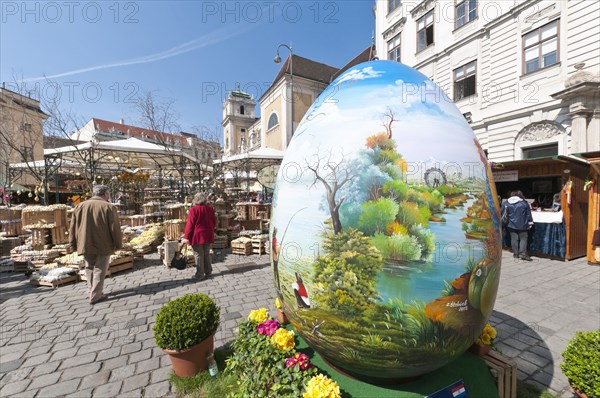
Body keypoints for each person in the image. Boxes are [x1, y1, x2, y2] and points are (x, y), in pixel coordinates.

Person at [69, 185, 122, 304]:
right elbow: (115, 228)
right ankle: (95, 295)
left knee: (89, 267)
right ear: (105, 194)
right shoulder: (109, 207)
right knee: (100, 268)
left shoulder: (80, 206)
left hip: (85, 242)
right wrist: (118, 244)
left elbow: (73, 227)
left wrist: (72, 243)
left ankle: (92, 291)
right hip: (103, 242)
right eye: (108, 194)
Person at [184, 193, 217, 281]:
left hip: (197, 235)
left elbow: (190, 224)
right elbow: (214, 222)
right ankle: (208, 272)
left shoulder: (193, 210)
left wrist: (186, 236)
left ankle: (199, 274)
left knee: (198, 255)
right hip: (208, 234)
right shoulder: (210, 209)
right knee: (206, 253)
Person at [501, 190, 534, 261]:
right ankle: (522, 254)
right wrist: (530, 222)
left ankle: (515, 254)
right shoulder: (524, 203)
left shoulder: (506, 203)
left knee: (514, 238)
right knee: (523, 238)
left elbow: (502, 213)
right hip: (523, 224)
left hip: (510, 224)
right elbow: (528, 214)